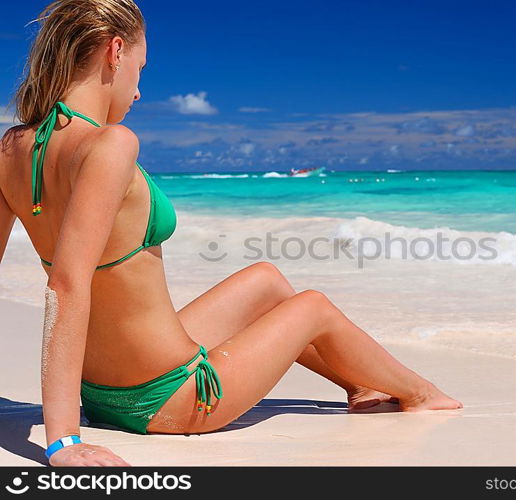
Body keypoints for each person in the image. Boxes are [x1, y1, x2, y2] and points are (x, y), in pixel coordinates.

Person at [0, 0, 462, 467]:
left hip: (102, 391)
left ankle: (361, 384)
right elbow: (67, 284)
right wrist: (63, 440)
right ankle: (422, 393)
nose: (138, 92)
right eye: (141, 69)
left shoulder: (10, 149)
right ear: (115, 52)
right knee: (313, 307)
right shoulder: (111, 144)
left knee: (266, 280)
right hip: (177, 398)